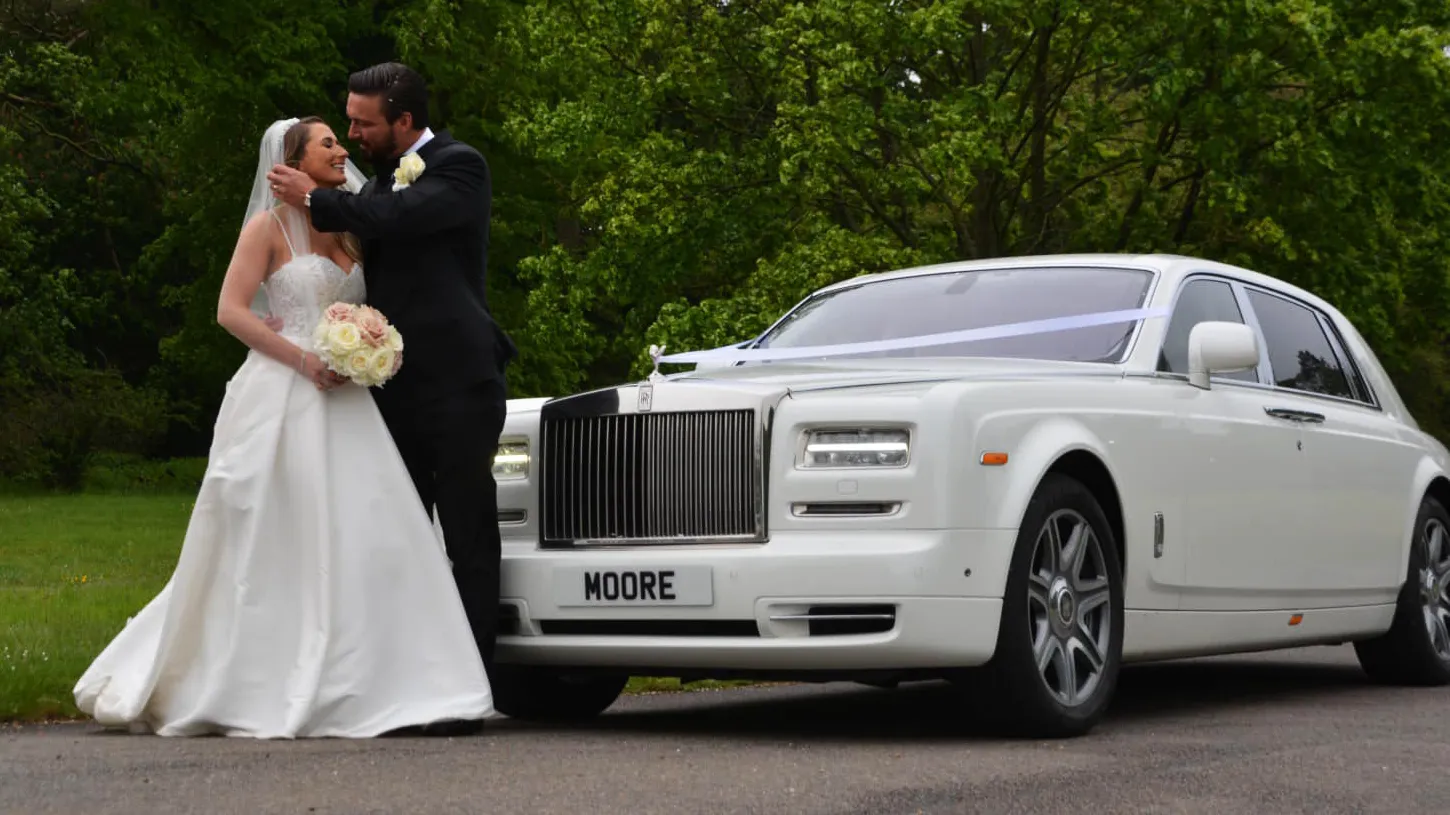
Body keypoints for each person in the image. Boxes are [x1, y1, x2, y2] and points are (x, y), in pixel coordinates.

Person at [71, 117, 495, 739]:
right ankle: (255, 672)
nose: (341, 149)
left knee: (369, 532)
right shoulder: (265, 229)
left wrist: (367, 346)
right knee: (274, 530)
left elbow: (366, 301)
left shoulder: (350, 229)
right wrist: (304, 361)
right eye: (327, 143)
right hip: (283, 388)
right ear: (292, 161)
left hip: (349, 402)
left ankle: (378, 676)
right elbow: (230, 311)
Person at [267, 63, 516, 739]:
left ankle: (472, 690)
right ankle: (408, 683)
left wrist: (317, 200)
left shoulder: (459, 167)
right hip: (393, 388)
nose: (352, 131)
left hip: (461, 383)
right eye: (347, 121)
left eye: (363, 122)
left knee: (467, 534)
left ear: (403, 121)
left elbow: (402, 217)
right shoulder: (373, 184)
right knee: (399, 537)